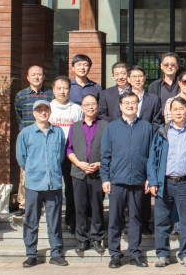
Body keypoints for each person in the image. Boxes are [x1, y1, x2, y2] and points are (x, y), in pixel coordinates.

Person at [100, 91, 156, 269]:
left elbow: (152, 156)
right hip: (117, 180)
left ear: (138, 105)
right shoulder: (112, 127)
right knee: (115, 220)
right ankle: (115, 254)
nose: (130, 106)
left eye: (133, 103)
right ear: (120, 106)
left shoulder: (147, 127)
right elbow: (105, 155)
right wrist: (105, 178)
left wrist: (150, 178)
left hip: (139, 181)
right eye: (127, 103)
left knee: (135, 218)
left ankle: (134, 253)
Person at [148, 97, 186, 268]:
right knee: (162, 220)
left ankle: (185, 253)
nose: (178, 112)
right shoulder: (162, 132)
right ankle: (163, 253)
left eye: (181, 109)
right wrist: (153, 181)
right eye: (175, 109)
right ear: (170, 112)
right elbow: (153, 159)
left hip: (185, 183)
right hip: (164, 182)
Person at [16, 100, 68, 268]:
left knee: (54, 221)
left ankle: (56, 253)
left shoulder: (58, 132)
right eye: (39, 110)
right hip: (34, 184)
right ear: (34, 113)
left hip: (54, 184)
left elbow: (61, 156)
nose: (43, 112)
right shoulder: (25, 133)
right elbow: (21, 158)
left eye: (46, 109)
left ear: (50, 112)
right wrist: (34, 170)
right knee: (31, 220)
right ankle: (31, 254)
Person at [65, 94, 108, 254]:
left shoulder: (105, 125)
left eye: (93, 104)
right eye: (87, 104)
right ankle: (82, 239)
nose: (90, 107)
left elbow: (111, 149)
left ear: (97, 106)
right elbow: (69, 149)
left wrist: (99, 164)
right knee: (80, 207)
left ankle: (97, 238)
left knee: (97, 206)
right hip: (79, 172)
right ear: (82, 107)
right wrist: (79, 163)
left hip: (98, 172)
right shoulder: (75, 126)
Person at [126, 65, 164, 236]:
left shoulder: (153, 99)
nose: (137, 79)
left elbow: (157, 121)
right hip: (127, 144)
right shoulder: (124, 98)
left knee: (146, 184)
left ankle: (145, 221)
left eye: (140, 76)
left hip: (147, 143)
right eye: (134, 76)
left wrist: (145, 132)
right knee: (129, 185)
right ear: (129, 79)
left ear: (145, 78)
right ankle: (129, 222)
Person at [13, 65, 54, 216]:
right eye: (33, 74)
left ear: (43, 77)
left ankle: (45, 203)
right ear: (28, 78)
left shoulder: (50, 95)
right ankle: (23, 204)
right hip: (28, 137)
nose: (36, 77)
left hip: (46, 136)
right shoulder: (21, 96)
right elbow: (19, 115)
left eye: (39, 74)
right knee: (25, 171)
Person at [49, 76, 84, 234]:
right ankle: (53, 221)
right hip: (52, 154)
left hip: (71, 154)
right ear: (53, 89)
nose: (62, 91)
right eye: (59, 88)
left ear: (70, 90)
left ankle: (71, 221)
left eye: (65, 88)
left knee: (71, 188)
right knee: (53, 188)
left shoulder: (76, 109)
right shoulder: (48, 108)